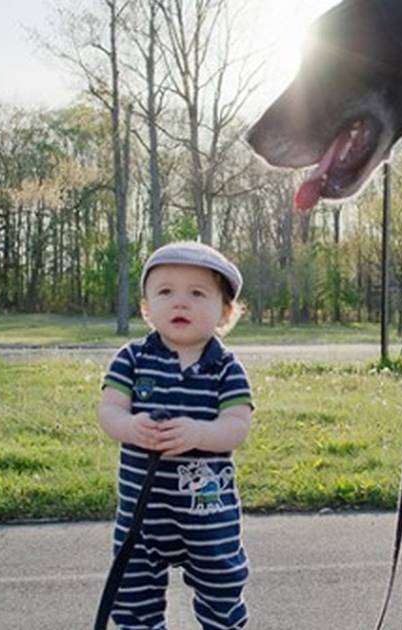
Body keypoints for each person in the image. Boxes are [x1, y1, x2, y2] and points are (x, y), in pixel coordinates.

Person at [98, 241, 253, 630]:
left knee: (222, 586)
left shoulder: (226, 368)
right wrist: (131, 426)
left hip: (208, 513)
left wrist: (200, 432)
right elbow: (109, 410)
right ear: (147, 307)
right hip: (142, 514)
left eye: (197, 293)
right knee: (132, 594)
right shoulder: (132, 359)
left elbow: (237, 426)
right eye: (165, 292)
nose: (179, 303)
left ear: (225, 312)